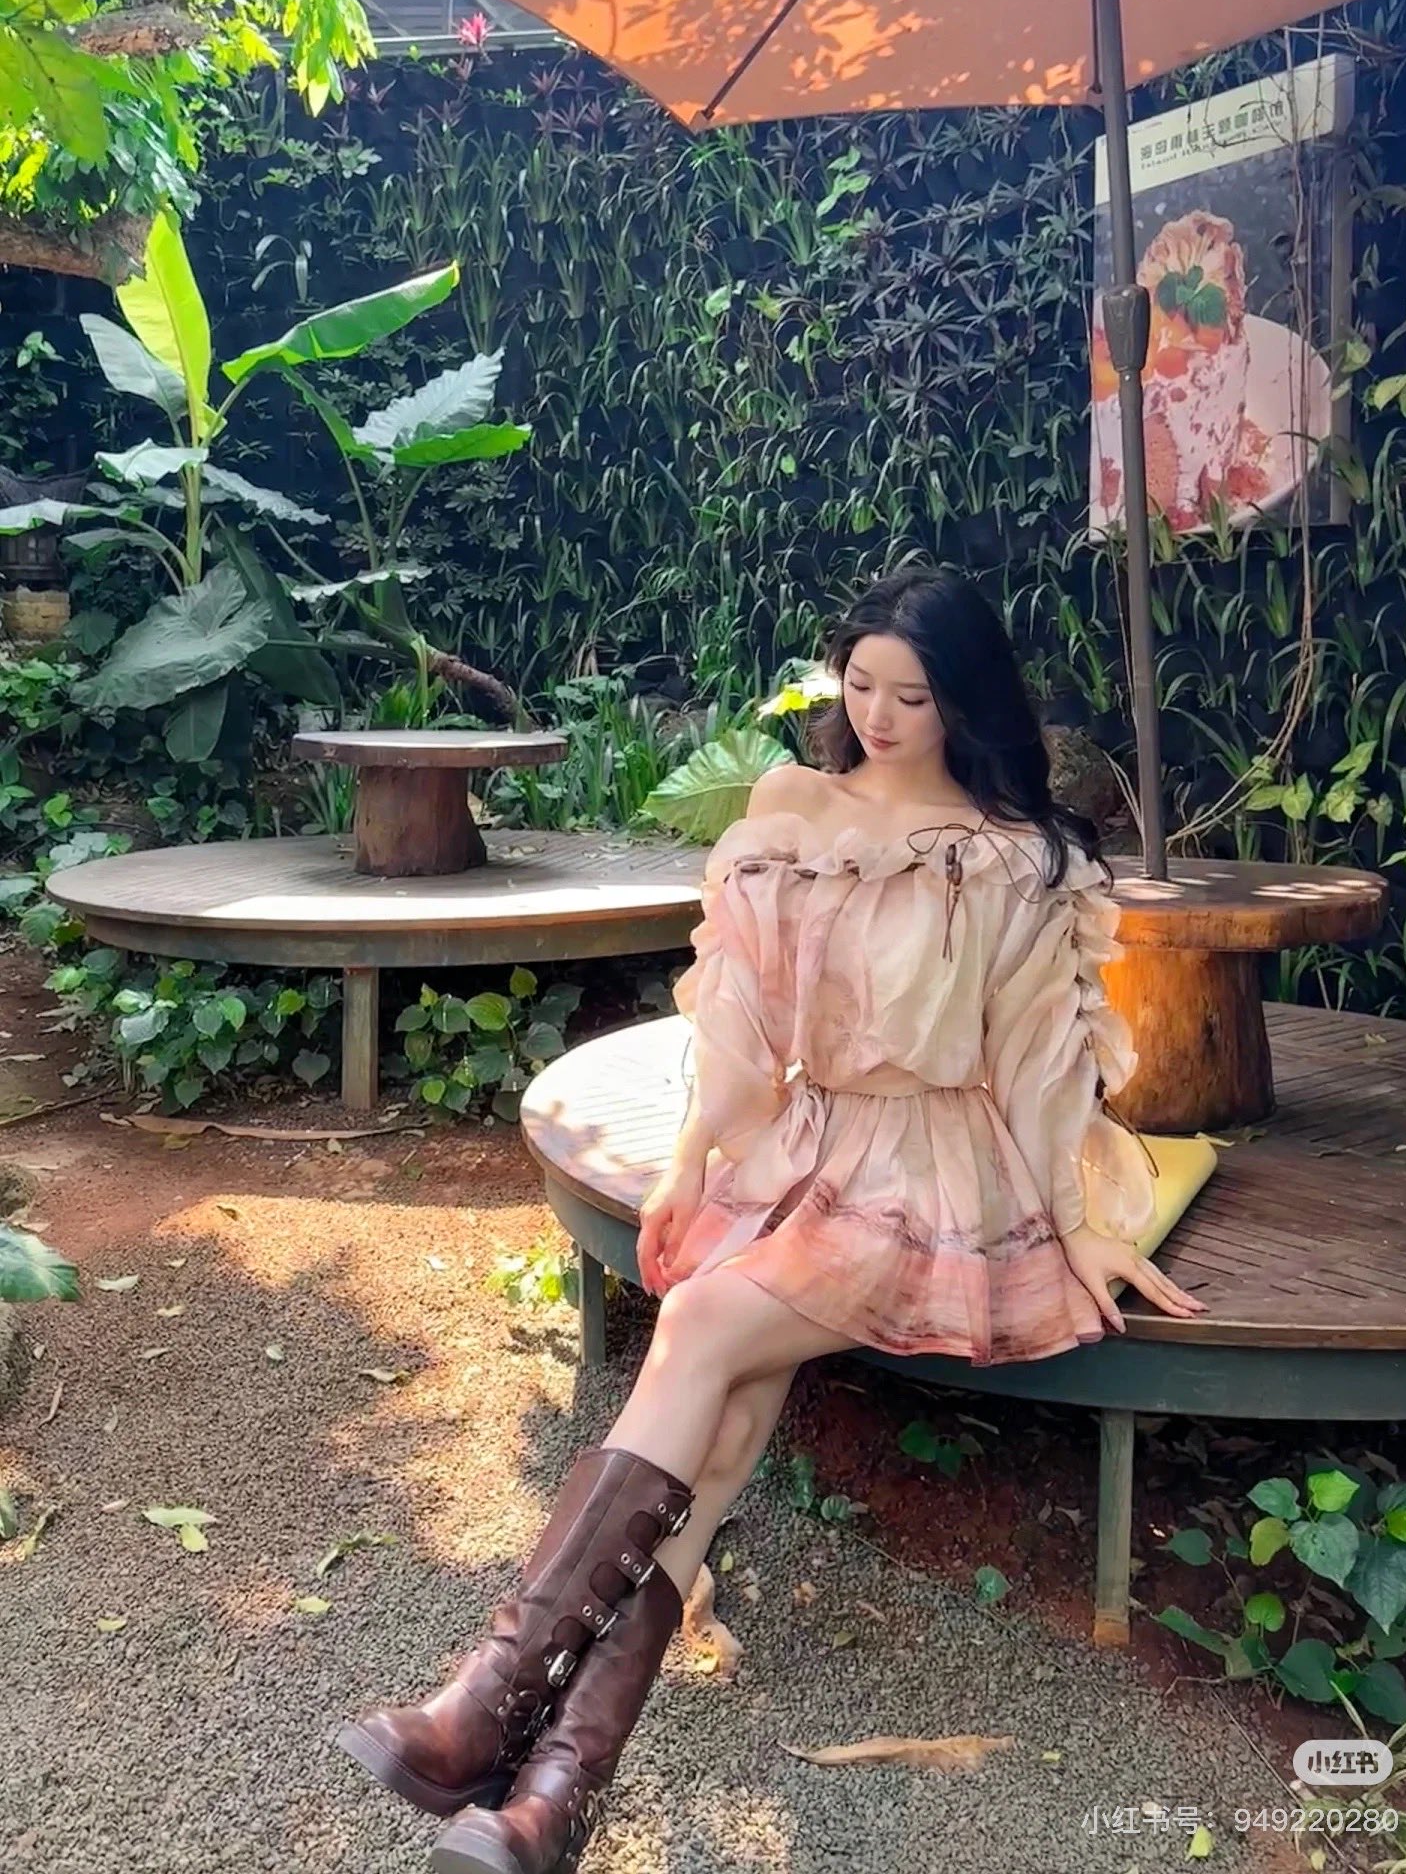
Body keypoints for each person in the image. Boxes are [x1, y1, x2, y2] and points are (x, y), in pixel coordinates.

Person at [335, 564, 1207, 1874]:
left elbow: (1039, 1062)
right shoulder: (796, 815)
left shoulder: (1022, 859)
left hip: (938, 1169)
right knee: (731, 1419)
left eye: (912, 695)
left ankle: (483, 1704)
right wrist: (694, 1157)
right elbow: (743, 1018)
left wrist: (1080, 1221)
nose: (878, 716)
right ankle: (551, 1796)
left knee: (701, 1323)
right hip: (809, 1147)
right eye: (861, 684)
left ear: (965, 700)